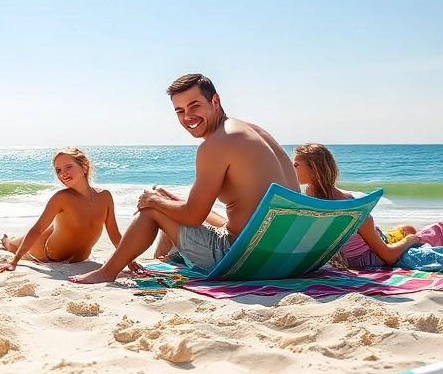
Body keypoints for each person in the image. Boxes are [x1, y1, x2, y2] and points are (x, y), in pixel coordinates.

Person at [70, 74, 299, 283]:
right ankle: (162, 258)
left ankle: (107, 272)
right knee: (164, 197)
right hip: (288, 252)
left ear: (215, 101)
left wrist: (152, 201)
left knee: (152, 208)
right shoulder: (253, 130)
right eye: (180, 111)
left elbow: (192, 217)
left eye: (194, 106)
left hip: (246, 259)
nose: (187, 117)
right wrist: (163, 199)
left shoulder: (216, 144)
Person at [291, 143, 443, 280]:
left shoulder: (314, 201)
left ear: (314, 169)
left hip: (376, 246)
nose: (291, 169)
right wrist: (407, 242)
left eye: (295, 165)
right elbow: (388, 257)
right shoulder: (348, 209)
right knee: (429, 256)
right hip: (372, 259)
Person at [0, 148, 120, 272]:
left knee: (58, 226)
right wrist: (14, 262)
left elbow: (114, 234)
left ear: (84, 166)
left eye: (69, 167)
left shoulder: (105, 196)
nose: (63, 173)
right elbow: (37, 229)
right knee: (11, 245)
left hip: (73, 253)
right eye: (58, 170)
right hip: (45, 250)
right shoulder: (61, 197)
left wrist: (129, 261)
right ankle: (5, 239)